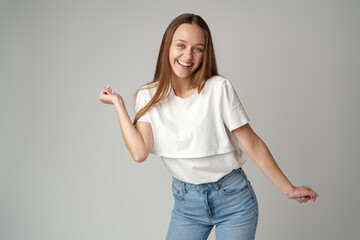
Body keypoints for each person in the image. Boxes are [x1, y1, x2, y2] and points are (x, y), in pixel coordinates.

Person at [99, 13, 318, 240]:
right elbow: (139, 152)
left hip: (233, 200)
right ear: (168, 47)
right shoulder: (148, 96)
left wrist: (288, 189)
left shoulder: (218, 88)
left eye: (198, 49)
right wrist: (118, 104)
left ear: (205, 53)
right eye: (181, 45)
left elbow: (252, 143)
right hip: (187, 207)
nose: (188, 55)